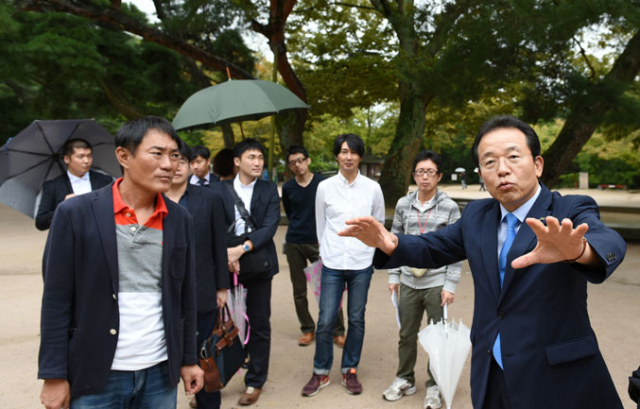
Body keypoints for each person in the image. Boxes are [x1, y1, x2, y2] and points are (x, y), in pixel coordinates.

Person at [340, 115, 626, 409]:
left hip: (557, 376)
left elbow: (609, 243)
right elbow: (435, 247)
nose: (502, 170)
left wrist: (580, 251)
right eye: (489, 162)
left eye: (513, 157)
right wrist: (393, 243)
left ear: (537, 164)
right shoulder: (478, 215)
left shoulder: (569, 209)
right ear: (481, 173)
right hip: (492, 368)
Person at [38, 116, 203, 409]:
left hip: (159, 373)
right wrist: (54, 374)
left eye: (174, 155)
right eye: (157, 153)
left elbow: (185, 296)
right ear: (124, 156)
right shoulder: (75, 213)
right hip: (96, 372)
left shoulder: (179, 219)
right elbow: (56, 299)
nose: (169, 165)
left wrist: (189, 359)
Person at [301, 134, 385, 397]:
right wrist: (326, 254)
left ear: (360, 156)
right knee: (326, 320)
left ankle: (350, 370)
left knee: (357, 319)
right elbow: (320, 225)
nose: (348, 157)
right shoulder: (325, 187)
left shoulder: (372, 188)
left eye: (354, 152)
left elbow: (378, 226)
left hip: (361, 263)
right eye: (343, 152)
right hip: (333, 263)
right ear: (336, 155)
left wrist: (369, 253)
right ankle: (321, 371)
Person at [382, 150, 462, 409]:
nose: (424, 177)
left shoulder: (450, 207)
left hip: (436, 283)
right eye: (420, 172)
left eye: (430, 172)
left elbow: (457, 249)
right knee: (406, 334)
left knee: (438, 336)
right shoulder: (404, 204)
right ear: (413, 174)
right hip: (407, 280)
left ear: (439, 176)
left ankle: (434, 385)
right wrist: (393, 275)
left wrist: (450, 285)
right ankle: (404, 378)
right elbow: (393, 241)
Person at [215, 138, 280, 406]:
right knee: (220, 324)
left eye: (260, 157)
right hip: (223, 264)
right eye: (251, 157)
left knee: (259, 321)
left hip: (258, 263)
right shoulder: (217, 190)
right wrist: (225, 255)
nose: (257, 162)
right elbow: (212, 226)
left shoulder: (269, 190)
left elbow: (269, 227)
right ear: (237, 161)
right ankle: (214, 379)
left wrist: (240, 249)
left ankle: (255, 380)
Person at [165, 143, 229, 409]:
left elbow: (218, 244)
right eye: (173, 161)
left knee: (204, 354)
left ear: (192, 166)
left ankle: (207, 402)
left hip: (201, 289)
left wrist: (221, 287)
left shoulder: (209, 198)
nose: (177, 167)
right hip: (163, 293)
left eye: (182, 161)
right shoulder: (151, 198)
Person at [281, 146, 346, 347]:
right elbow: (290, 214)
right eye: (293, 163)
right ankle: (307, 329)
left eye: (300, 160)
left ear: (308, 161)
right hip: (294, 243)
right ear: (290, 166)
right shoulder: (288, 187)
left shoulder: (323, 184)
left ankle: (338, 330)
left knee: (328, 286)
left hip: (319, 242)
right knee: (299, 290)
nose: (297, 165)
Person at [35, 138, 113, 230]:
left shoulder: (104, 181)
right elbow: (41, 223)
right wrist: (62, 205)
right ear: (67, 159)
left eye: (89, 156)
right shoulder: (53, 186)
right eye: (80, 156)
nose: (86, 161)